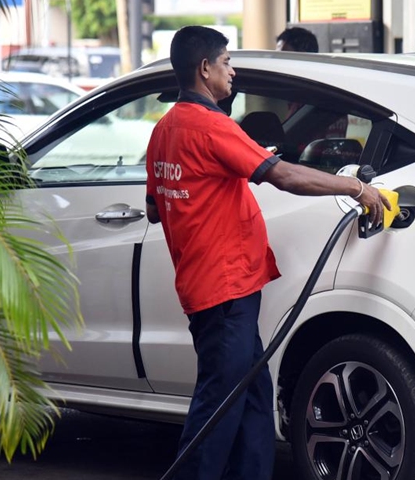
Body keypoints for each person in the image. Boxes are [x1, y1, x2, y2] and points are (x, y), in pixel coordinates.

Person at [145, 25, 391, 480]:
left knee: (254, 398)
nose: (232, 72)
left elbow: (155, 209)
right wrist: (355, 186)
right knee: (219, 406)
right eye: (227, 62)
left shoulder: (164, 130)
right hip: (224, 290)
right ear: (205, 68)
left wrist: (211, 184)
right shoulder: (212, 126)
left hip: (209, 286)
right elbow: (286, 177)